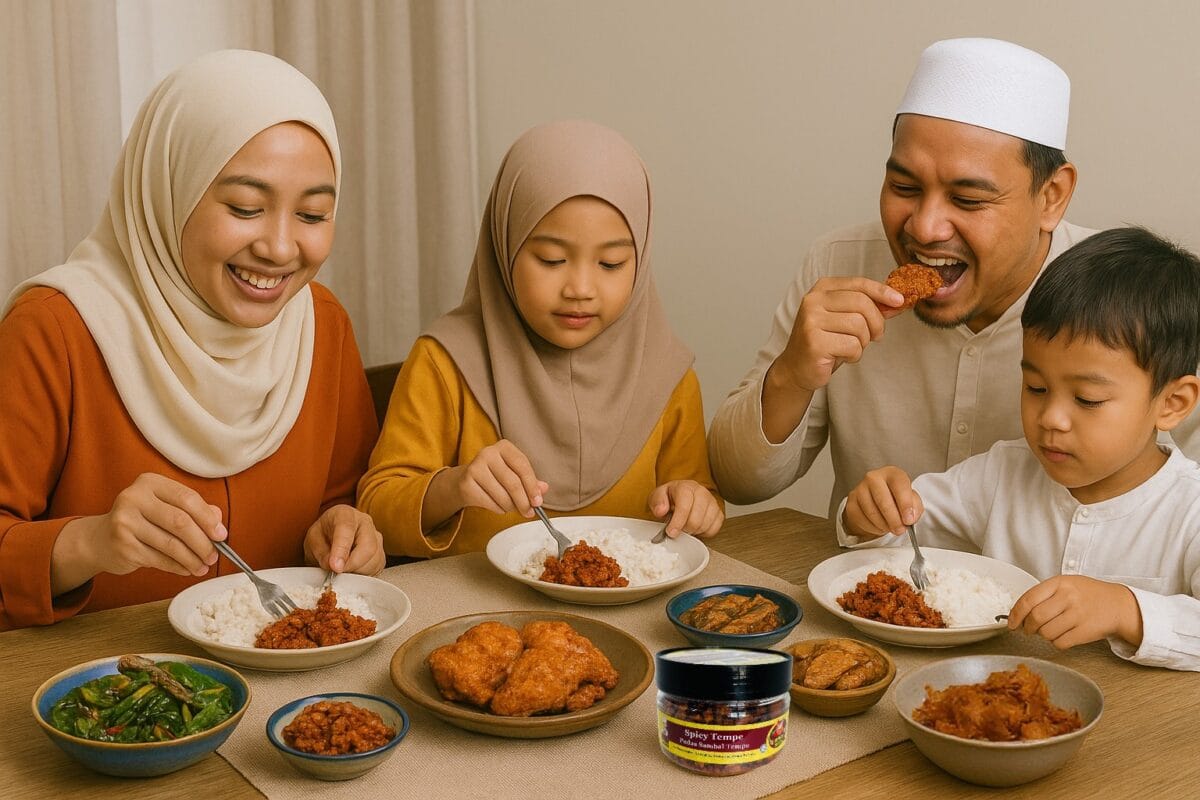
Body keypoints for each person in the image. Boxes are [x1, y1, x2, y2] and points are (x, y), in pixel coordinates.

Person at [0, 50, 384, 630]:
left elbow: (346, 499)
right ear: (167, 191)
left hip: (291, 691)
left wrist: (348, 533)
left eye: (312, 215)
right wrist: (92, 542)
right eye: (245, 207)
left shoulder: (320, 323)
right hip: (102, 695)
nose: (281, 249)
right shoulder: (53, 329)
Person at [709, 37, 1125, 516]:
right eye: (904, 187)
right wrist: (791, 375)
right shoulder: (838, 264)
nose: (925, 228)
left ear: (1051, 196)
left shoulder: (1124, 297)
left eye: (968, 200)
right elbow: (736, 481)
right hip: (866, 584)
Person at [358, 120, 723, 558]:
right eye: (551, 259)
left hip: (635, 617)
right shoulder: (446, 362)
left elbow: (700, 502)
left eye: (611, 264)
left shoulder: (668, 376)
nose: (580, 288)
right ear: (505, 244)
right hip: (477, 617)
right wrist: (453, 486)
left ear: (640, 262)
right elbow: (376, 512)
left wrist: (696, 504)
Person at [840, 227, 1200, 670]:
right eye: (1035, 387)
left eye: (1087, 399)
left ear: (1172, 403)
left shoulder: (1190, 508)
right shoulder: (1002, 474)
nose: (1051, 418)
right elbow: (897, 534)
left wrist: (1126, 611)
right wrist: (870, 514)